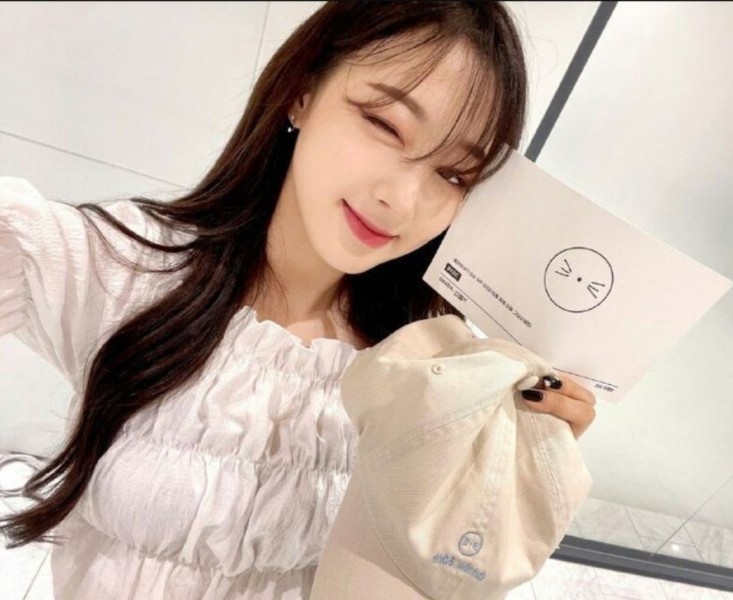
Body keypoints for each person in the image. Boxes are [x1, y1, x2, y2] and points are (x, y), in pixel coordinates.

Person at [0, 2, 596, 598]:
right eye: (386, 125)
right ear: (302, 93)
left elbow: (442, 563)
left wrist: (516, 455)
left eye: (454, 174)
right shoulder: (131, 267)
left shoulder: (421, 368)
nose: (402, 200)